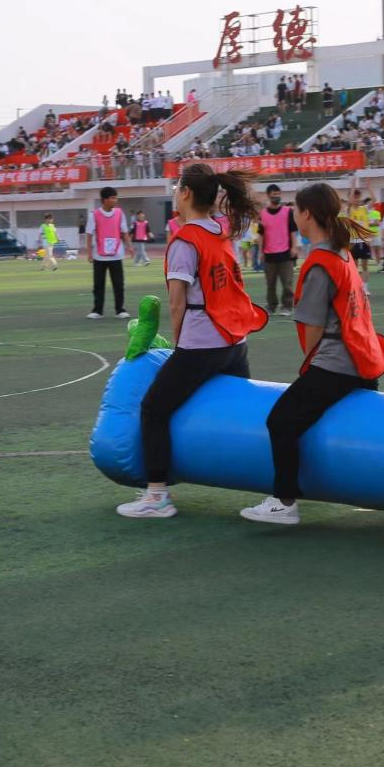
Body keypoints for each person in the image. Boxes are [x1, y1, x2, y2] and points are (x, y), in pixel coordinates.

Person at [116, 165, 267, 519]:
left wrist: (179, 345)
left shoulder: (185, 240)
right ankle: (275, 489)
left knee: (153, 408)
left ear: (185, 194)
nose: (173, 193)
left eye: (176, 188)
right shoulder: (221, 233)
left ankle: (157, 495)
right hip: (235, 342)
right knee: (241, 414)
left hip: (203, 343)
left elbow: (177, 302)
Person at [240, 184, 384, 525]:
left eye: (296, 210)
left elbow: (312, 329)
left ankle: (284, 501)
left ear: (306, 213)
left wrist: (314, 367)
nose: (294, 215)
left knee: (280, 420)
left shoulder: (321, 262)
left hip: (338, 363)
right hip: (364, 358)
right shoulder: (343, 254)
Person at [87, 188, 131, 319]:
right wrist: (89, 252)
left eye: (116, 198)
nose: (115, 200)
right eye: (113, 198)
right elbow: (89, 234)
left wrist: (129, 246)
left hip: (116, 255)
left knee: (119, 284)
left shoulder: (119, 213)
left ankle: (120, 310)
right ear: (104, 200)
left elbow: (124, 232)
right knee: (98, 285)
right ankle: (97, 311)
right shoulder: (94, 215)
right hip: (99, 256)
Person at [257, 184, 297, 316]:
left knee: (287, 283)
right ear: (268, 195)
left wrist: (294, 247)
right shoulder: (263, 214)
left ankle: (287, 306)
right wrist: (260, 251)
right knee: (270, 284)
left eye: (278, 194)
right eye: (274, 194)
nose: (277, 196)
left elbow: (292, 231)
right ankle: (271, 306)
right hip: (269, 255)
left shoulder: (288, 211)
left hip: (286, 253)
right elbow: (261, 234)